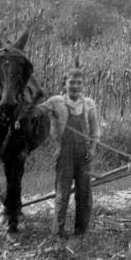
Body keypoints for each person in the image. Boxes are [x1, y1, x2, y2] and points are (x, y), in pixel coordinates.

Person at [38, 67, 102, 238]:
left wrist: (93, 149)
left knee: (84, 195)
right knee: (62, 194)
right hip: (64, 154)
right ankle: (58, 233)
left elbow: (95, 132)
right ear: (64, 84)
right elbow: (36, 112)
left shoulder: (89, 104)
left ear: (83, 85)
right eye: (71, 82)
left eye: (78, 83)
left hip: (84, 155)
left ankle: (81, 233)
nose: (75, 86)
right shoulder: (56, 102)